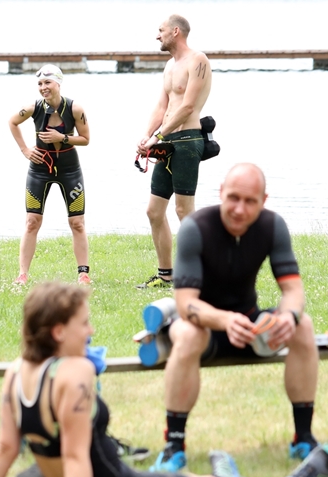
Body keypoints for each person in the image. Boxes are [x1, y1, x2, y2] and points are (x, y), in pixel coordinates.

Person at [0, 281, 328, 477]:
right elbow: (75, 458)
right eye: (83, 323)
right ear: (58, 332)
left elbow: (5, 449)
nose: (91, 330)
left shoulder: (15, 373)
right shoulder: (75, 371)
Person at [150, 163, 322, 475]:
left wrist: (288, 315)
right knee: (188, 334)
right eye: (233, 198)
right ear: (221, 193)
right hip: (203, 327)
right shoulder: (196, 227)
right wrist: (225, 320)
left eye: (250, 201)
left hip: (249, 326)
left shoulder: (272, 226)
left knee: (303, 325)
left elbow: (293, 290)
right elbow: (186, 303)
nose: (239, 209)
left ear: (263, 201)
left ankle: (304, 439)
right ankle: (173, 447)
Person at [136, 15, 212, 289]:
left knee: (183, 210)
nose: (157, 36)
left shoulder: (198, 61)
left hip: (188, 141)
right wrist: (147, 136)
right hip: (167, 143)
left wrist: (158, 136)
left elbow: (187, 107)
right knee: (154, 211)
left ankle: (203, 274)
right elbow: (162, 106)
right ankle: (165, 275)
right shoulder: (169, 65)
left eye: (161, 30)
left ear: (175, 31)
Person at [9, 65, 91, 286]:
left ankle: (83, 273)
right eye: (40, 84)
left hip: (69, 169)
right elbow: (12, 122)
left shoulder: (74, 109)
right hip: (39, 170)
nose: (43, 87)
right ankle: (22, 275)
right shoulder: (33, 108)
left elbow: (86, 139)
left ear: (58, 83)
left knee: (77, 223)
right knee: (32, 222)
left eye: (47, 83)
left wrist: (62, 137)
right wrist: (25, 150)